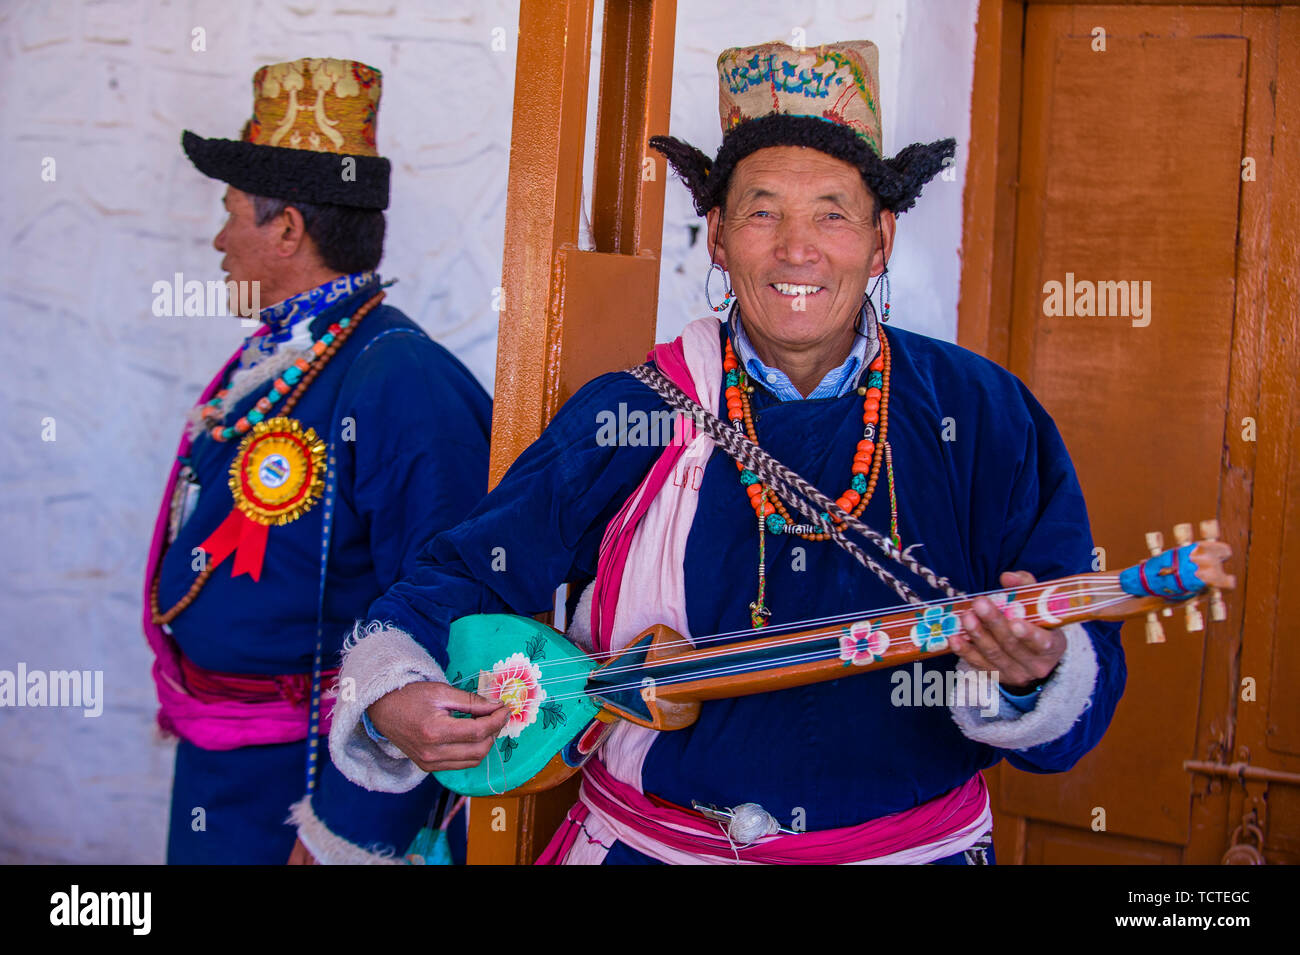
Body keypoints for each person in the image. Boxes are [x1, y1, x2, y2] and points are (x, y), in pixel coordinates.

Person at [328, 40, 1126, 864]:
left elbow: (1074, 682)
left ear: (881, 239)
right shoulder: (637, 410)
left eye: (832, 212)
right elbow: (458, 575)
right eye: (760, 211)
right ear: (716, 237)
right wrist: (389, 692)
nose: (796, 248)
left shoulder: (985, 414)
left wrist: (1037, 670)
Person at [143, 57, 492, 864]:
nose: (219, 238)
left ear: (289, 229)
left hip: (308, 785)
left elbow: (449, 622)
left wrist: (347, 832)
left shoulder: (402, 380)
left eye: (233, 214)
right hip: (231, 766)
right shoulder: (284, 358)